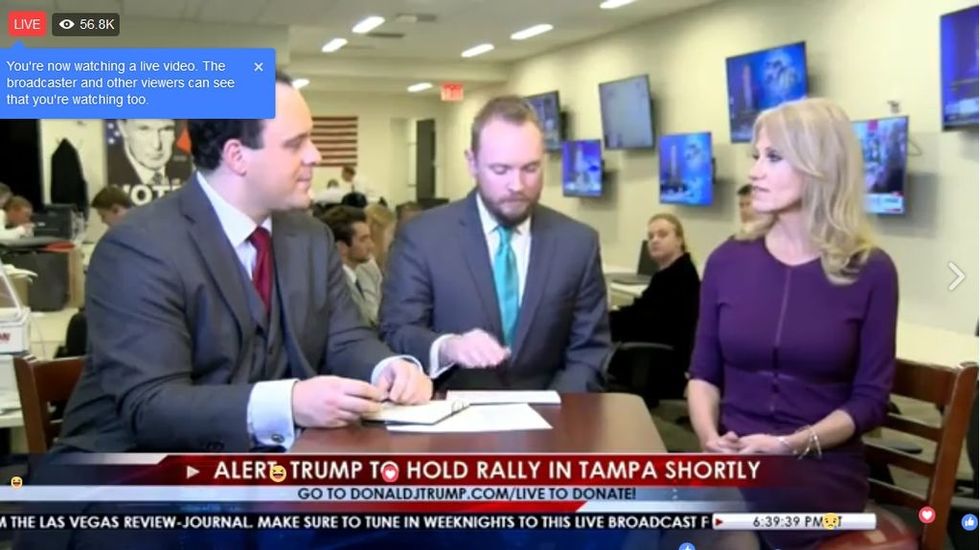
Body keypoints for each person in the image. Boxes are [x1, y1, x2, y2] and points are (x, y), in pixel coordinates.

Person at [56, 70, 432, 455]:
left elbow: (347, 338)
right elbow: (152, 406)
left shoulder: (311, 238)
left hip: (265, 466)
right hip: (133, 468)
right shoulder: (139, 247)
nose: (315, 156)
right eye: (296, 143)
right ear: (236, 156)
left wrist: (387, 368)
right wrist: (289, 403)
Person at [687, 98, 898, 550]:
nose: (755, 172)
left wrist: (788, 445)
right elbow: (703, 374)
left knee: (717, 520)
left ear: (820, 166)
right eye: (756, 156)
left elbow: (870, 401)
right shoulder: (726, 261)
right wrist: (709, 438)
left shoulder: (872, 271)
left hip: (819, 468)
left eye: (774, 157)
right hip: (733, 458)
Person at [380, 95, 611, 392]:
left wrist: (555, 411)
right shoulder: (423, 237)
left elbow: (589, 352)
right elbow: (397, 331)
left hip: (553, 414)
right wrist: (447, 347)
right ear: (472, 163)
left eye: (530, 169)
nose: (517, 185)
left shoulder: (577, 244)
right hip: (450, 412)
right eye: (501, 170)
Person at [609, 213, 700, 400]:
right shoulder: (668, 275)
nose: (655, 240)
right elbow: (643, 312)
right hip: (654, 355)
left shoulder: (680, 278)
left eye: (662, 234)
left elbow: (648, 323)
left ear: (679, 240)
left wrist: (605, 321)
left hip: (662, 363)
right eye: (650, 236)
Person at [320, 206, 379, 328]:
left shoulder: (357, 276)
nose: (371, 245)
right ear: (341, 247)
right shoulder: (337, 287)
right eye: (363, 239)